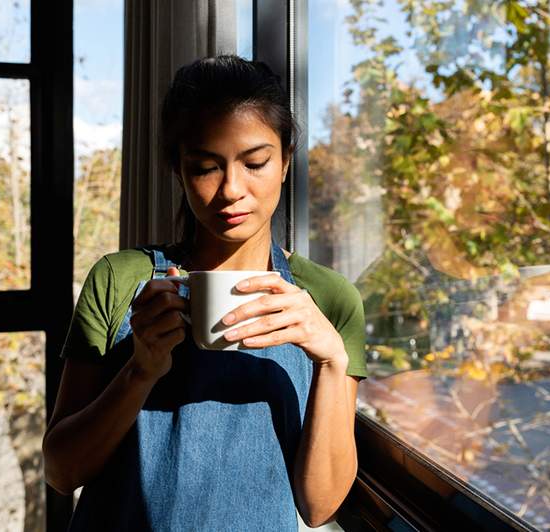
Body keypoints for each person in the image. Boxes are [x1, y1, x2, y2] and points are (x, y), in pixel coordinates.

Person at [42, 54, 368, 531]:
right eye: (205, 167)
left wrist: (331, 361)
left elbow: (320, 506)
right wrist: (140, 371)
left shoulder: (329, 298)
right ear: (177, 168)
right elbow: (61, 471)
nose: (233, 189)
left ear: (285, 161)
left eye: (256, 162)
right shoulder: (119, 279)